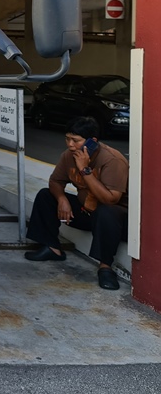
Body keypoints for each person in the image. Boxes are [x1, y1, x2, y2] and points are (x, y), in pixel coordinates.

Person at [24, 116, 129, 290]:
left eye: (76, 140)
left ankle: (105, 267)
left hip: (114, 221)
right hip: (86, 211)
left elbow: (111, 199)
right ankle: (52, 248)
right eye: (67, 139)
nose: (70, 145)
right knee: (46, 195)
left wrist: (84, 169)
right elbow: (55, 181)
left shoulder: (112, 160)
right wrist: (62, 199)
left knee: (106, 211)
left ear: (92, 141)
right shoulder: (69, 156)